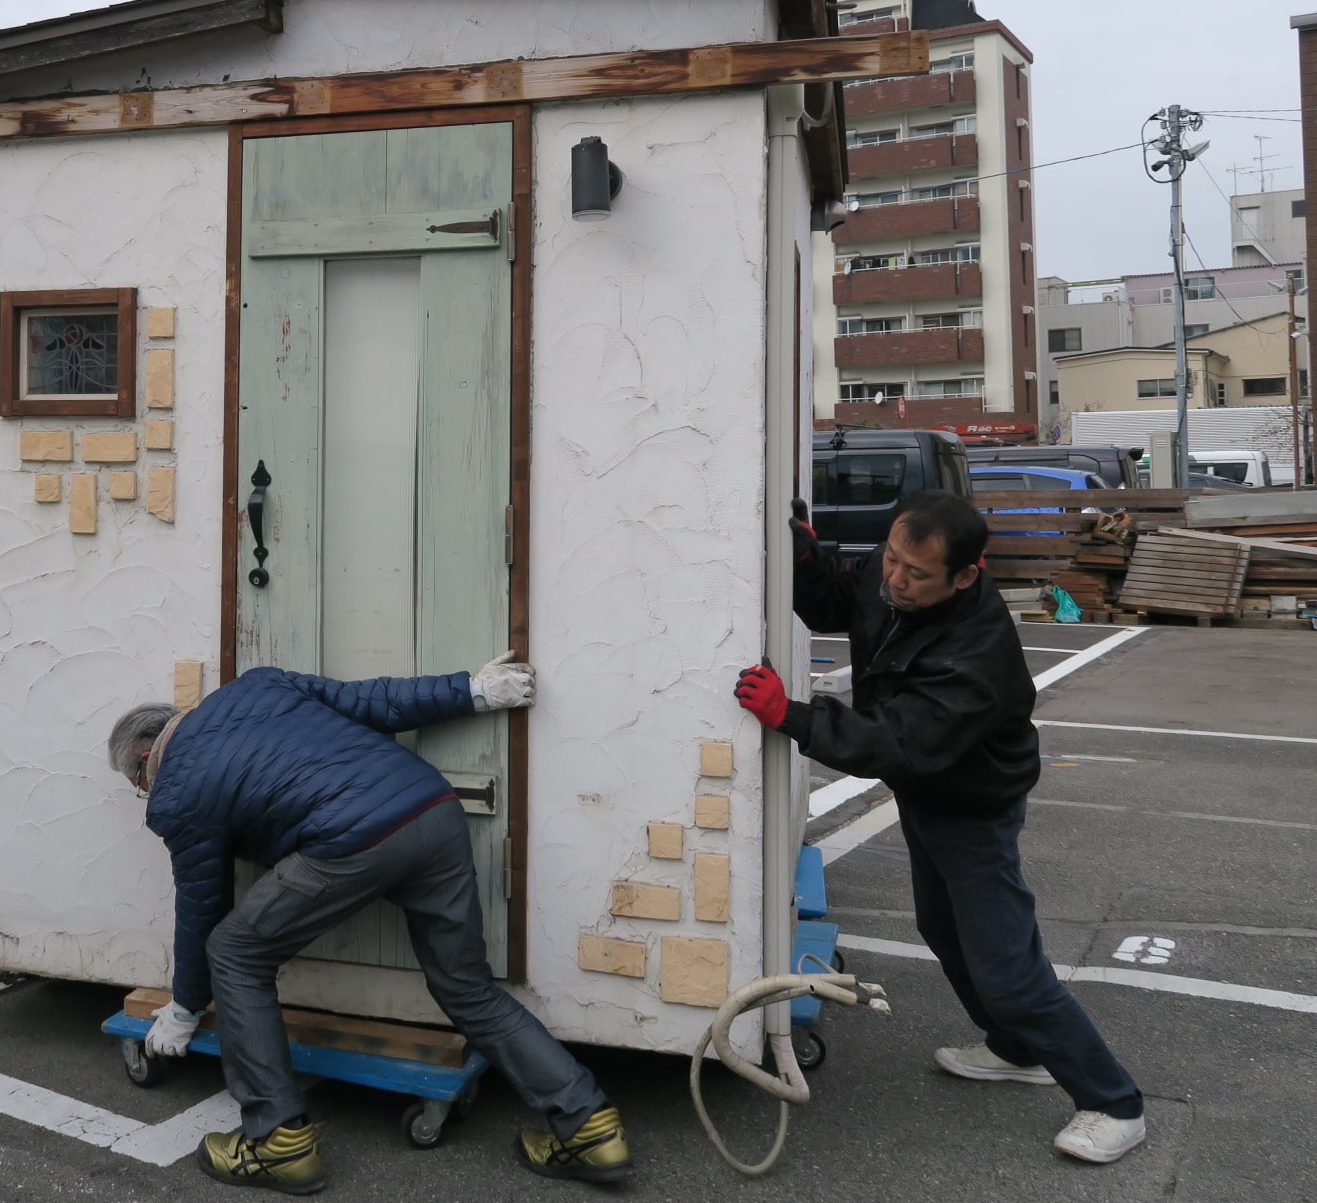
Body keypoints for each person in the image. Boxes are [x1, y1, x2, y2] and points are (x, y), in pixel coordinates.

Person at [108, 655, 630, 1193]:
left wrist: (187, 1007)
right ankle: (589, 1126)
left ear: (147, 757)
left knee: (235, 951)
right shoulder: (258, 685)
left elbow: (201, 907)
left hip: (352, 842)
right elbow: (373, 702)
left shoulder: (176, 795)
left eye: (139, 782)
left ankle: (276, 1143)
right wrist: (472, 690)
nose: (147, 791)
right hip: (431, 809)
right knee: (465, 986)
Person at [733, 489, 1146, 1165]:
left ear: (965, 576)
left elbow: (899, 739)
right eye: (892, 559)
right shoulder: (896, 572)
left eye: (915, 574)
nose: (895, 578)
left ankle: (1115, 1102)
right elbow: (842, 597)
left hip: (972, 806)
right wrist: (806, 557)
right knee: (942, 927)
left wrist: (796, 716)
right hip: (929, 793)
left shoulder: (974, 653)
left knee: (1010, 970)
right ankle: (1016, 1050)